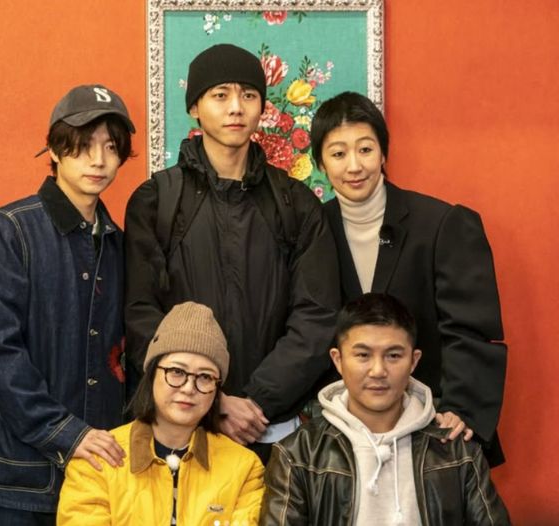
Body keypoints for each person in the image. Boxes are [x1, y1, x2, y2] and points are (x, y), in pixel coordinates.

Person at [124, 44, 340, 462]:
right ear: (195, 107)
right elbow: (141, 314)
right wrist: (213, 399)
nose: (236, 107)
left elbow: (316, 316)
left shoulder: (295, 203)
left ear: (262, 107)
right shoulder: (157, 201)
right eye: (220, 95)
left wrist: (255, 402)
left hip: (270, 427)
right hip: (179, 427)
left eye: (248, 95)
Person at [0, 84, 135, 525]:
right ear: (56, 150)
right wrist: (66, 432)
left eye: (111, 147)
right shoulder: (12, 229)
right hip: (17, 480)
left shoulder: (119, 245)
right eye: (83, 145)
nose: (98, 160)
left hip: (98, 479)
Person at [313, 91, 507, 465]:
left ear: (383, 154)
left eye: (365, 149)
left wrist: (459, 408)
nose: (354, 166)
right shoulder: (312, 230)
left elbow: (469, 328)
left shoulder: (441, 224)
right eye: (338, 153)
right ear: (321, 162)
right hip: (344, 432)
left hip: (433, 423)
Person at [260, 293, 510, 525]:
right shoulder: (298, 454)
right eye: (363, 355)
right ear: (338, 360)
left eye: (393, 356)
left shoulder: (457, 451)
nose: (378, 371)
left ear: (413, 361)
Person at [57, 301, 264, 525]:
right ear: (152, 374)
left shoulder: (244, 467)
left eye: (205, 376)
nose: (188, 388)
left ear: (217, 389)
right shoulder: (98, 460)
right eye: (177, 371)